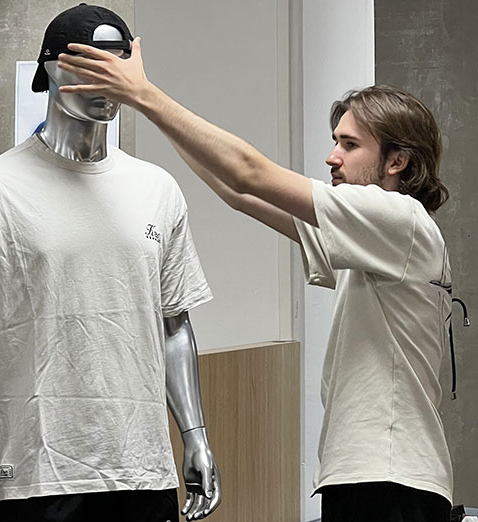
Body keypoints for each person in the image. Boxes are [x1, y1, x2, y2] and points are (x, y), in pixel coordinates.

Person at [57, 38, 453, 522]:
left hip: (391, 480)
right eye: (336, 141)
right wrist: (151, 112)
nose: (332, 157)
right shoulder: (376, 240)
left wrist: (144, 94)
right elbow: (237, 192)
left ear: (397, 162)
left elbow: (249, 173)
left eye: (350, 145)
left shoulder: (398, 219)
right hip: (370, 478)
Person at [0, 6, 220, 522]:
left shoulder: (157, 189)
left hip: (143, 470)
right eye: (93, 64)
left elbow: (175, 325)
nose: (111, 80)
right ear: (53, 69)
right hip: (36, 473)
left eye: (120, 64)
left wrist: (195, 436)